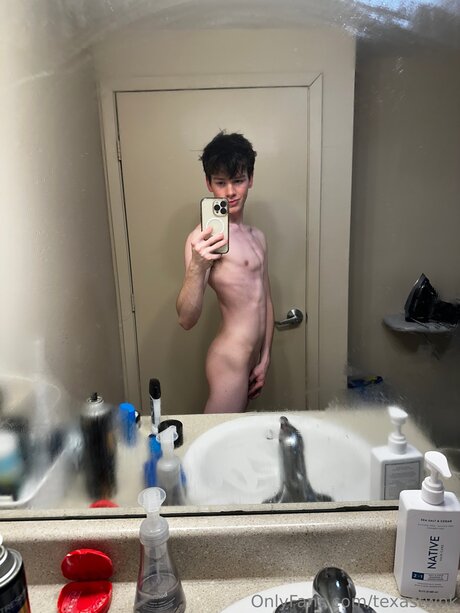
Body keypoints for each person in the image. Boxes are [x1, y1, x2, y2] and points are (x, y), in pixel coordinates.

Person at [176, 131, 274, 413]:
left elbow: (265, 300)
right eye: (221, 183)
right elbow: (186, 319)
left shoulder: (258, 237)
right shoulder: (203, 239)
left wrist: (265, 358)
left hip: (252, 359)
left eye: (238, 181)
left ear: (250, 179)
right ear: (209, 183)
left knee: (235, 436)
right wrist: (197, 266)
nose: (230, 192)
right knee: (217, 436)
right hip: (229, 361)